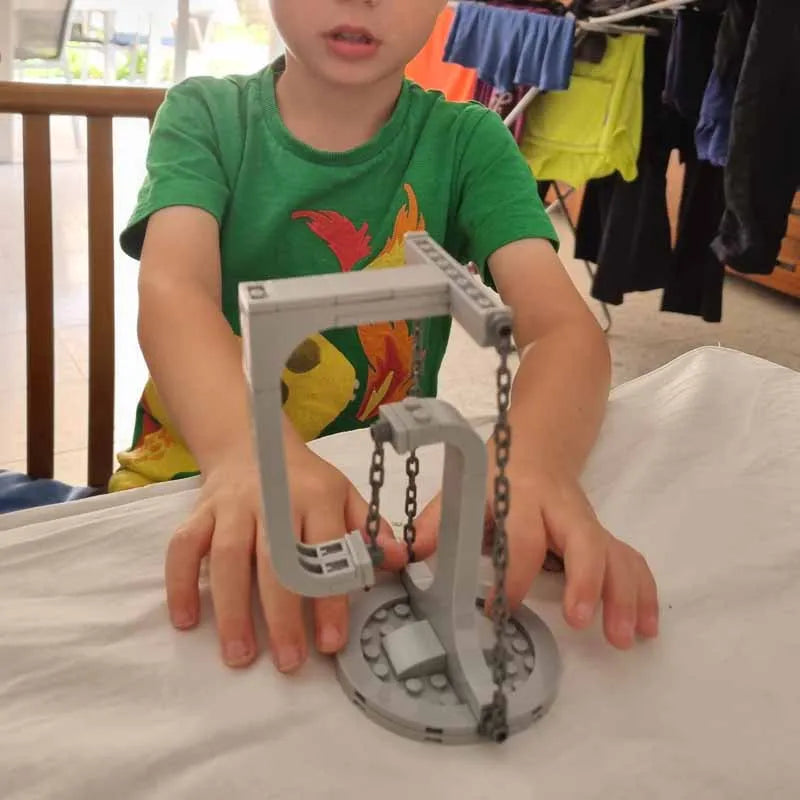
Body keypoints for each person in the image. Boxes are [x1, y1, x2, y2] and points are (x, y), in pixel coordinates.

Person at [115, 0, 659, 674]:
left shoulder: (468, 143)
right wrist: (246, 454)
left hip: (372, 515)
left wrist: (535, 459)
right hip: (189, 482)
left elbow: (563, 331)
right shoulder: (204, 116)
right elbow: (174, 294)